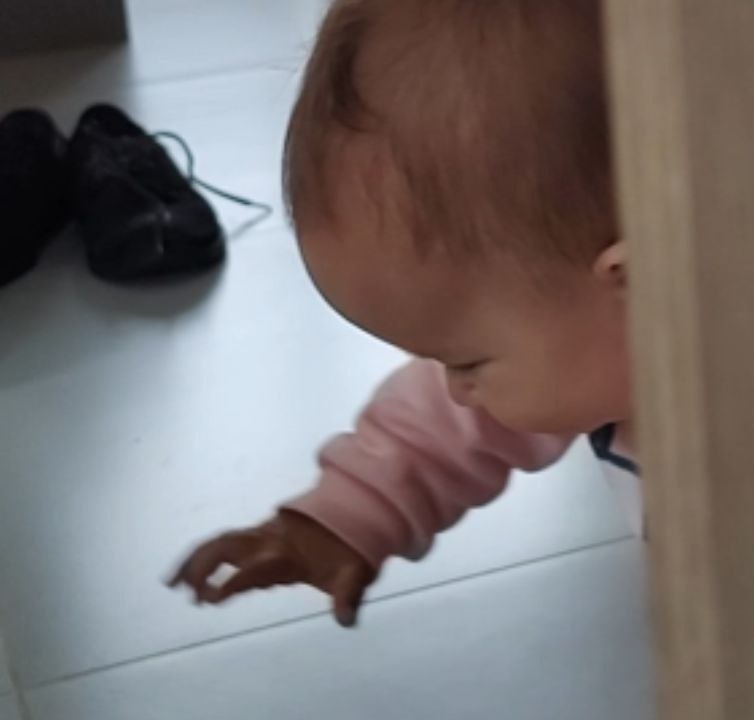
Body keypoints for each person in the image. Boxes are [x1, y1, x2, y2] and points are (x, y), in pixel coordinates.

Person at [168, 0, 635, 628]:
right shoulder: (605, 342)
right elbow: (448, 424)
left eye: (468, 361)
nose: (458, 391)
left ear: (636, 280)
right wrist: (348, 511)